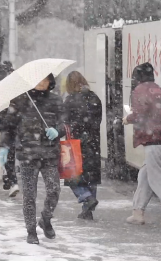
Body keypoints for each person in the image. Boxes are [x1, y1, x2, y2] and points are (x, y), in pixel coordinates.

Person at [3, 74, 64, 244]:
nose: (41, 82)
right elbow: (9, 126)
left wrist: (57, 131)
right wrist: (3, 146)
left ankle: (45, 219)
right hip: (27, 154)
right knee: (29, 195)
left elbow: (66, 123)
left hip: (50, 153)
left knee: (54, 189)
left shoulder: (56, 101)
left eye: (45, 80)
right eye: (37, 79)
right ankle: (31, 231)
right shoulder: (20, 101)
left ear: (50, 82)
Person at [123, 62, 161, 227]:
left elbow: (139, 114)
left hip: (153, 139)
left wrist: (127, 119)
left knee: (156, 176)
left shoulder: (140, 90)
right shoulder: (158, 89)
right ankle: (138, 212)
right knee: (145, 175)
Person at [63, 71, 102, 220]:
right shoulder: (95, 98)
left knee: (72, 176)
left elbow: (65, 123)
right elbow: (98, 121)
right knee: (91, 176)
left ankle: (86, 197)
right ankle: (88, 210)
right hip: (93, 142)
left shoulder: (69, 100)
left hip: (74, 143)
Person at [0, 61, 19, 196]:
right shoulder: (16, 82)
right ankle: (10, 180)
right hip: (17, 122)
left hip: (4, 125)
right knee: (12, 154)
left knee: (2, 153)